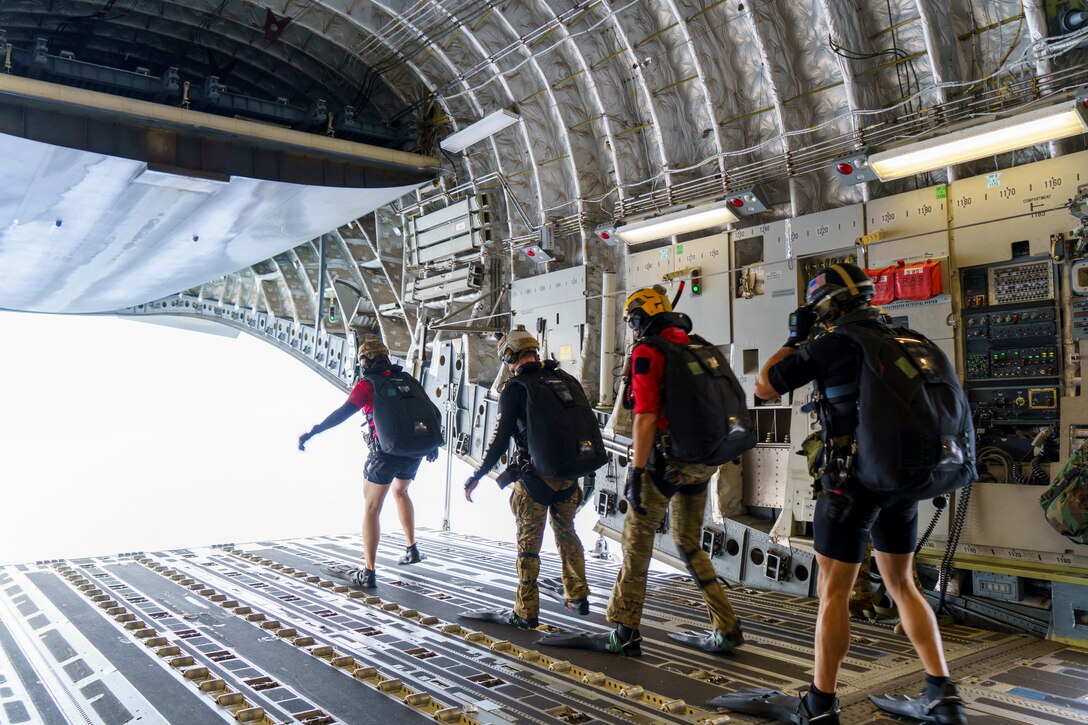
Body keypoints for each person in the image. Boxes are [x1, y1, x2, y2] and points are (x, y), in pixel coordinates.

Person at [749, 263, 967, 724]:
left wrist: (794, 337)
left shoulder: (832, 344)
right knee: (903, 584)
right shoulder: (908, 340)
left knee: (834, 593)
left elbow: (764, 385)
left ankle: (820, 703)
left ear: (825, 306)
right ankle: (942, 694)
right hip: (899, 481)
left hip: (850, 486)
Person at [541, 286, 744, 657]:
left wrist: (637, 472)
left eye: (633, 320)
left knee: (636, 544)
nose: (633, 329)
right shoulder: (697, 345)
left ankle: (624, 631)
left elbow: (646, 415)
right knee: (687, 543)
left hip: (664, 465)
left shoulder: (649, 352)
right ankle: (726, 626)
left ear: (643, 317)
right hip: (702, 464)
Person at [463, 326, 592, 629]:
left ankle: (525, 611)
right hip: (569, 479)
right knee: (567, 534)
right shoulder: (565, 379)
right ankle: (577, 596)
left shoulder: (516, 388)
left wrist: (478, 475)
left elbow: (499, 440)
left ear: (510, 355)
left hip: (534, 483)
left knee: (528, 548)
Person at [298, 337, 439, 589]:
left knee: (372, 508)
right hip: (414, 453)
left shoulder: (368, 384)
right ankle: (412, 549)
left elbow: (343, 412)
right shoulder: (408, 380)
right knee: (401, 491)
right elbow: (432, 412)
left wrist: (314, 431)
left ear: (365, 361)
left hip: (384, 455)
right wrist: (432, 444)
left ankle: (369, 572)